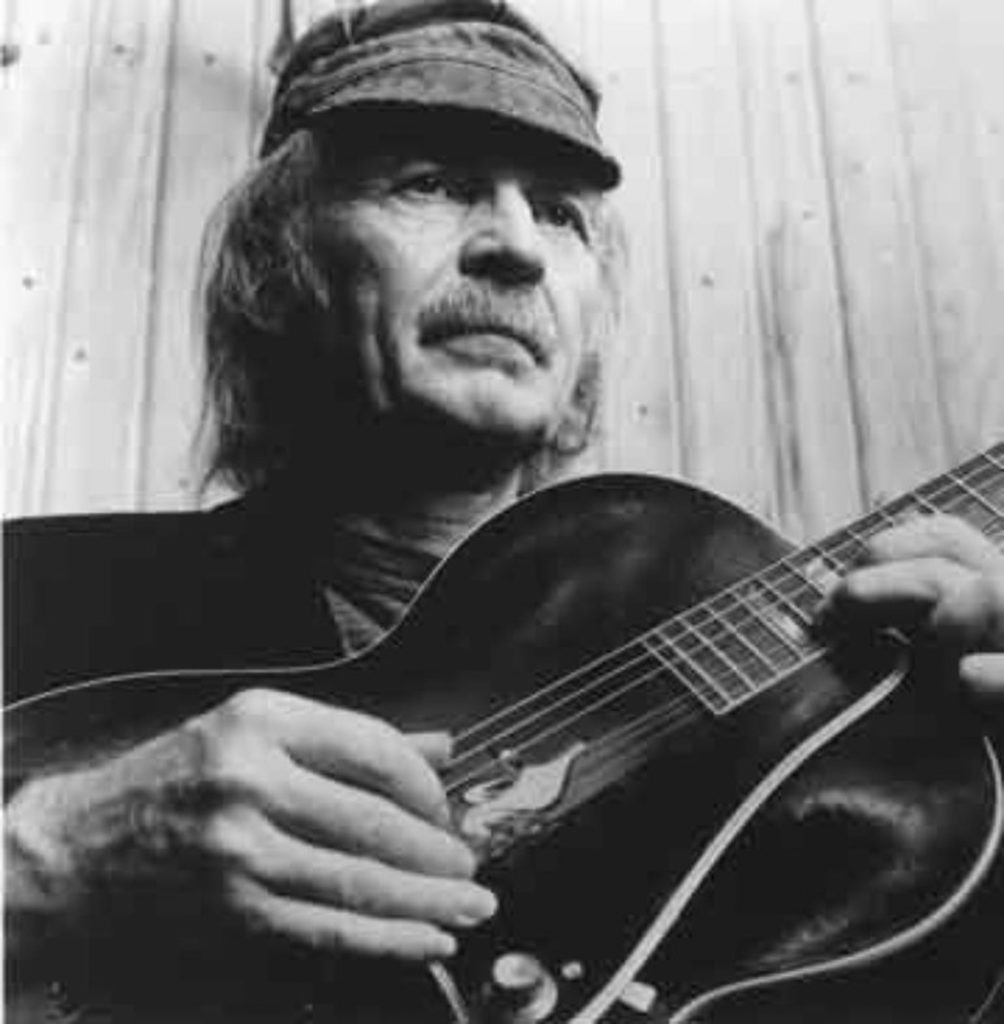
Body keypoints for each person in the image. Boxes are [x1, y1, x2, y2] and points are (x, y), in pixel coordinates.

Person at [4, 0, 1003, 1020]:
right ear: (274, 269)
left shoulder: (805, 737)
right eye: (433, 183)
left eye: (563, 214)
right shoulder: (34, 592)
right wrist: (40, 862)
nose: (517, 249)